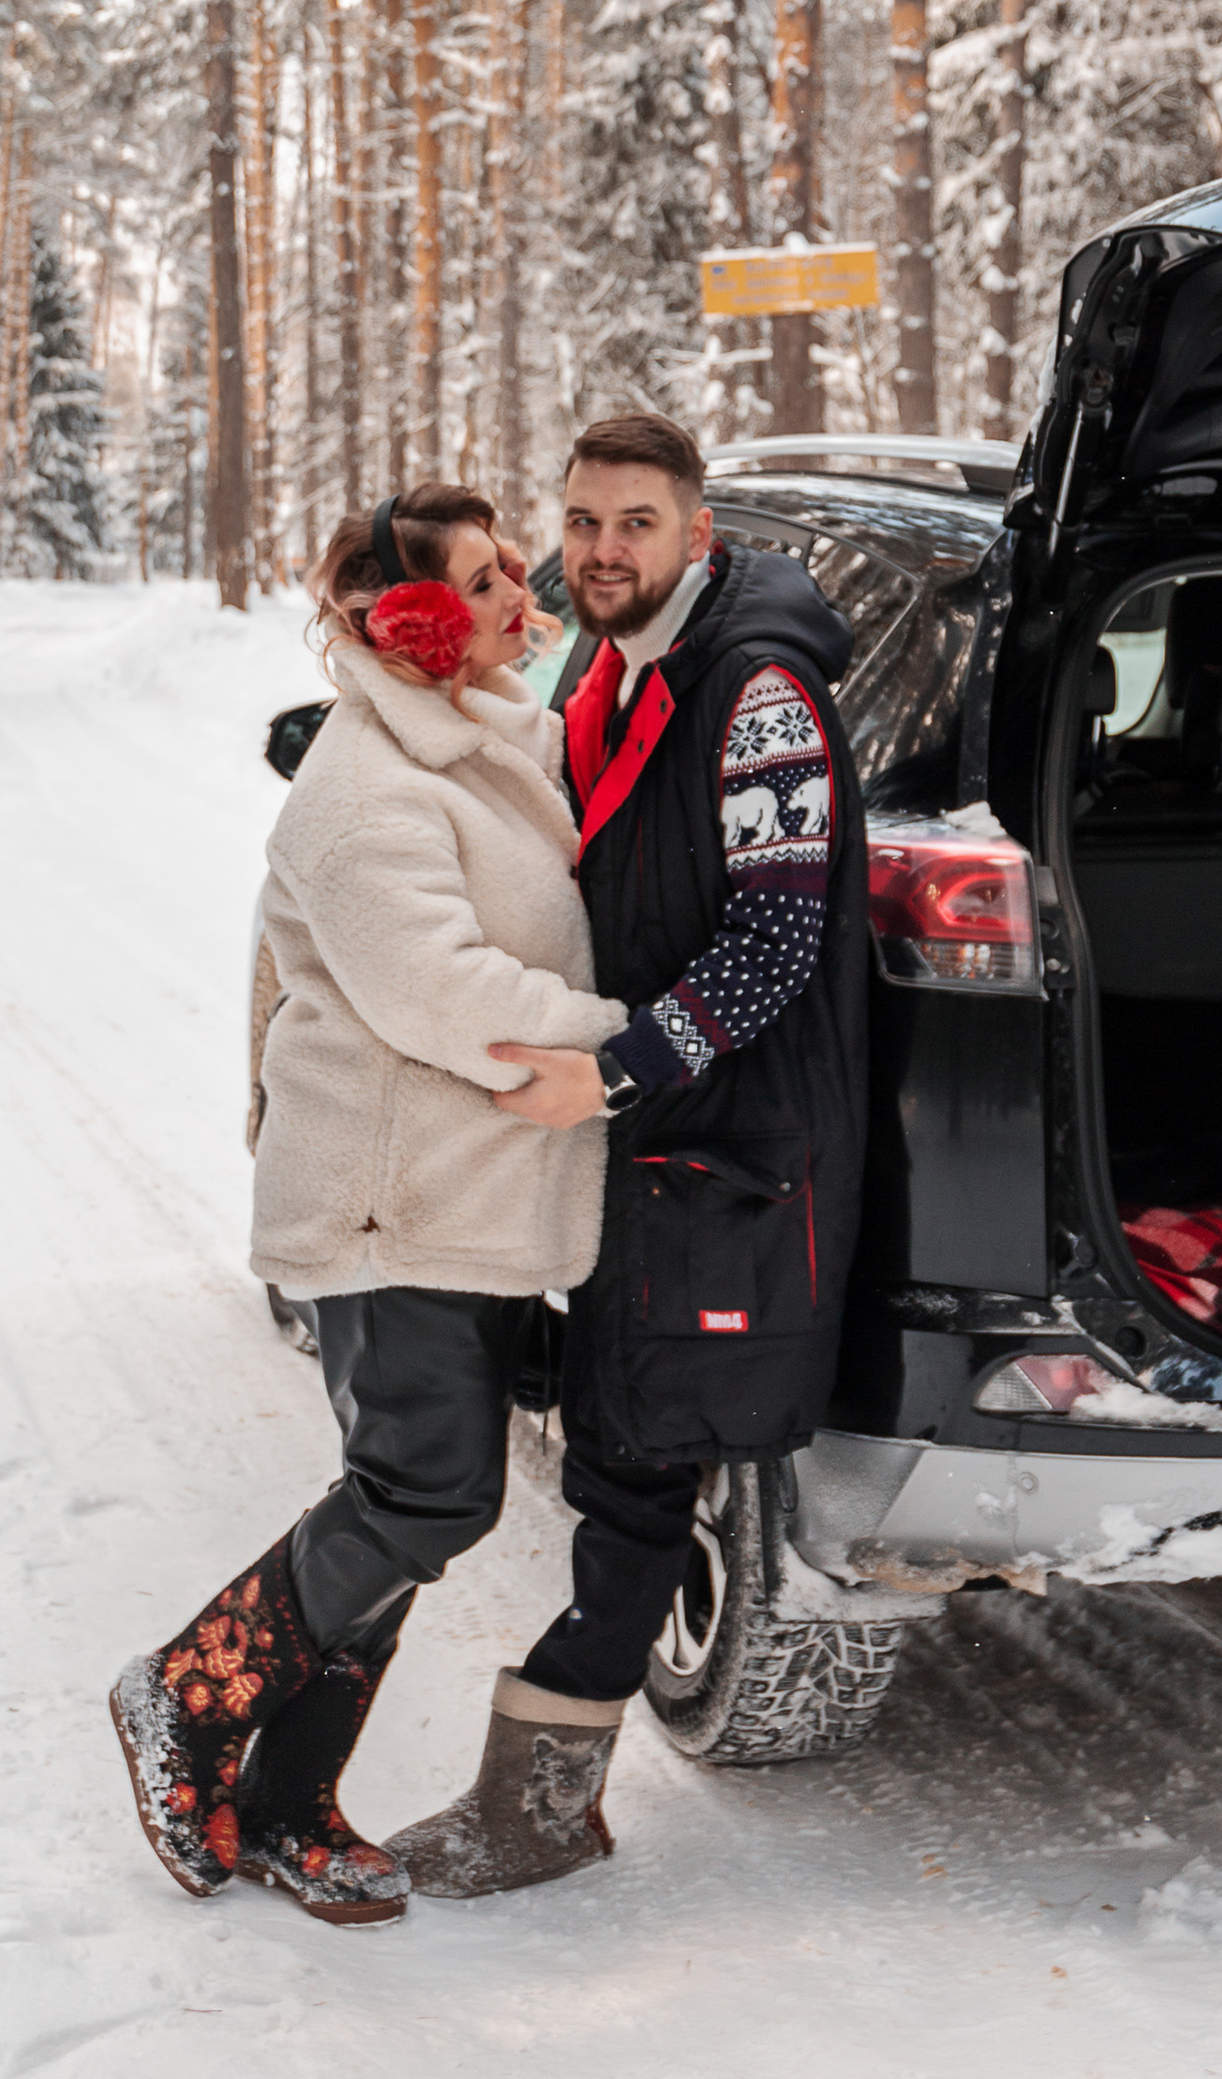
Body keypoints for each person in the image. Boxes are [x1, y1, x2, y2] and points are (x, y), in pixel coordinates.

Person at [108, 482, 622, 1928]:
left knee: (396, 1501)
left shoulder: (490, 738)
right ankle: (184, 1690)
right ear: (409, 625)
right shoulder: (363, 790)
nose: (525, 594)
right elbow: (444, 994)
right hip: (391, 1200)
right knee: (426, 1493)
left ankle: (283, 1802)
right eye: (484, 579)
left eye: (518, 565)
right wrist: (640, 1037)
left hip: (466, 1192)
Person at [390, 408, 868, 1901]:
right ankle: (546, 1795)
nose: (601, 552)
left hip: (722, 1135)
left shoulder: (760, 696)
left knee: (637, 1461)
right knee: (612, 1428)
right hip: (652, 1128)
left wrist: (615, 1071)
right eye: (584, 522)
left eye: (635, 526)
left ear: (695, 535)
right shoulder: (619, 665)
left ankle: (540, 1807)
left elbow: (778, 939)